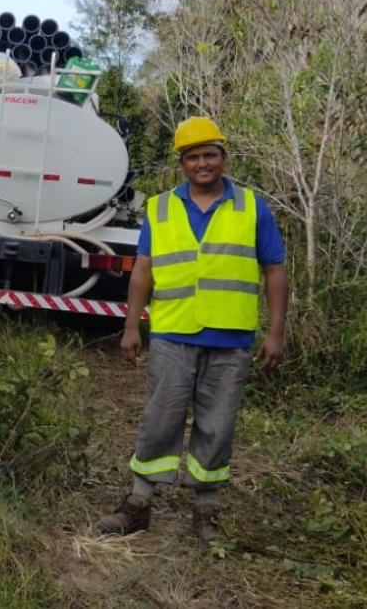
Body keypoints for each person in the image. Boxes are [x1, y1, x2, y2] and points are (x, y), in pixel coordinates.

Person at [96, 116, 288, 550]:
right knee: (160, 419)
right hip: (172, 335)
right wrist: (131, 327)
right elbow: (143, 271)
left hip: (230, 337)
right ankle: (139, 503)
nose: (202, 163)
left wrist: (276, 333)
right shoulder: (160, 208)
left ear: (223, 157)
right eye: (193, 156)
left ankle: (206, 509)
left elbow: (274, 270)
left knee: (217, 426)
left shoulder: (252, 207)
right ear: (181, 163)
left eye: (209, 155)